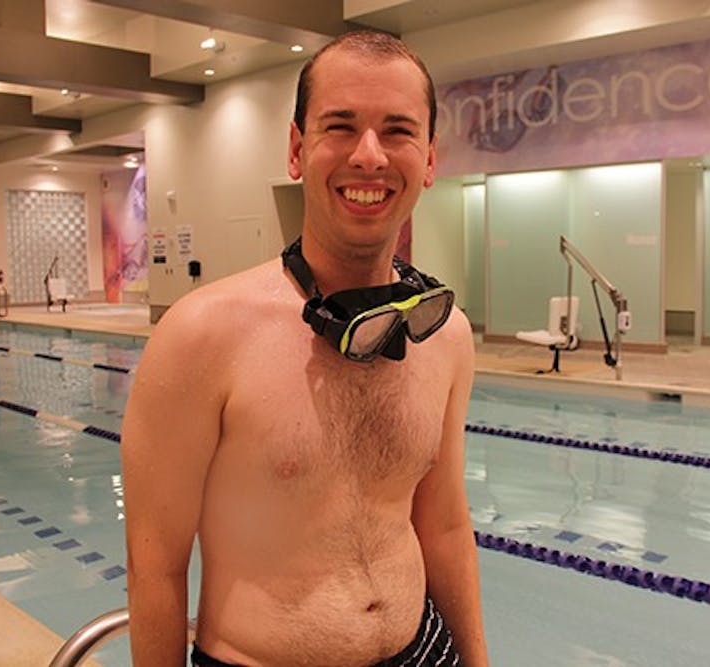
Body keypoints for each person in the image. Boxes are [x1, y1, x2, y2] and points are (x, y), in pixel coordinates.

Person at [121, 29, 488, 667]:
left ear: (430, 158)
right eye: (340, 127)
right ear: (297, 149)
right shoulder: (201, 335)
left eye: (398, 131)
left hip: (424, 649)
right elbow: (155, 570)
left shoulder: (446, 335)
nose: (369, 156)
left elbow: (446, 527)